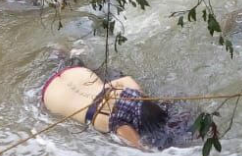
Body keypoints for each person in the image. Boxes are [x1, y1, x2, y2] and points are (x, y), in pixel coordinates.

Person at [41, 62, 170, 149]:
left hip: (75, 73)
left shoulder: (131, 91)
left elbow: (127, 80)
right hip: (51, 95)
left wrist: (144, 96)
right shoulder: (120, 124)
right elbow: (142, 150)